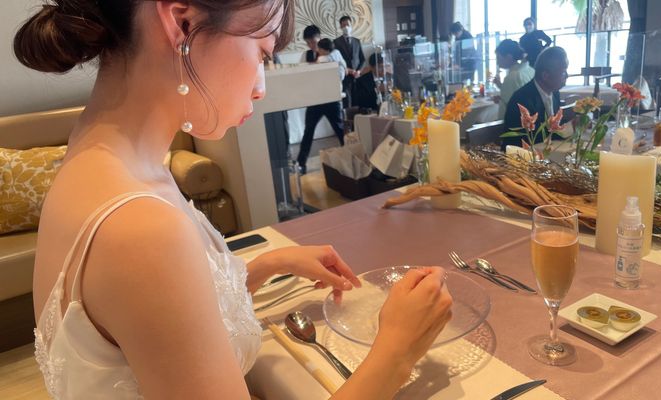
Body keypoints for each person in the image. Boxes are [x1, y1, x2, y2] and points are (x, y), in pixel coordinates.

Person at [15, 1, 453, 399]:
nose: (261, 87)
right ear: (182, 23)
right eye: (262, 53)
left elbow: (155, 328)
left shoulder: (103, 153)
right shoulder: (141, 230)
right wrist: (398, 351)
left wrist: (267, 265)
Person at [296, 37, 346, 174]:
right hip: (316, 100)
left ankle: (351, 156)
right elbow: (302, 74)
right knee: (309, 131)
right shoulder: (306, 55)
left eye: (314, 42)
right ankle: (301, 163)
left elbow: (341, 73)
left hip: (331, 99)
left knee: (340, 129)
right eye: (308, 42)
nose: (312, 45)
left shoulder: (332, 55)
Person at [503, 46, 569, 148]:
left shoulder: (555, 93)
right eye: (563, 72)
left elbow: (554, 129)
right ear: (545, 76)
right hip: (521, 154)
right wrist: (569, 129)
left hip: (546, 151)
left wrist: (574, 125)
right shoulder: (522, 100)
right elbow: (532, 137)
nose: (567, 76)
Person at [493, 39, 535, 120]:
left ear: (509, 57)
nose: (497, 62)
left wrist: (502, 100)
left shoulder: (513, 76)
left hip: (515, 120)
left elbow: (509, 105)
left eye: (498, 58)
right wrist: (501, 88)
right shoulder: (530, 70)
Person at [334, 15, 365, 108]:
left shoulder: (357, 41)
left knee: (358, 103)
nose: (346, 27)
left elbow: (362, 59)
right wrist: (347, 69)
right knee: (347, 104)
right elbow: (336, 61)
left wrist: (358, 71)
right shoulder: (336, 42)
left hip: (357, 78)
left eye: (348, 25)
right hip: (345, 77)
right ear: (340, 27)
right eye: (343, 25)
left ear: (351, 25)